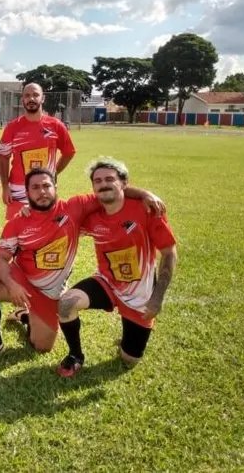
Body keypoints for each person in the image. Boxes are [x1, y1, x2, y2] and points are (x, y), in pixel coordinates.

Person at [0, 167, 164, 362]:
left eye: (47, 186)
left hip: (50, 294)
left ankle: (25, 315)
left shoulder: (75, 208)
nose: (42, 192)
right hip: (22, 282)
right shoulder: (19, 221)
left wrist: (145, 194)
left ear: (56, 187)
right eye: (35, 187)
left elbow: (110, 191)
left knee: (42, 347)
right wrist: (12, 284)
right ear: (27, 191)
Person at [56, 157, 178, 377]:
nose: (103, 184)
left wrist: (157, 297)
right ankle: (75, 355)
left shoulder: (147, 209)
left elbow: (169, 253)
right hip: (107, 282)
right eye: (98, 181)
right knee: (66, 303)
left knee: (130, 360)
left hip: (140, 293)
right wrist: (28, 211)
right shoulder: (91, 216)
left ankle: (129, 340)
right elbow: (56, 217)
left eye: (110, 179)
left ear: (124, 183)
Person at [0, 82, 76, 220]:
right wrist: (5, 187)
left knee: (45, 232)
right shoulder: (12, 127)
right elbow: (3, 157)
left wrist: (54, 172)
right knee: (16, 234)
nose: (31, 99)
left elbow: (69, 152)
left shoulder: (56, 125)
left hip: (45, 189)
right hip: (18, 189)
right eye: (27, 96)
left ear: (43, 98)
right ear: (22, 99)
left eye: (35, 95)